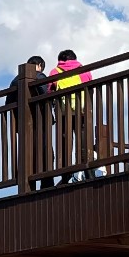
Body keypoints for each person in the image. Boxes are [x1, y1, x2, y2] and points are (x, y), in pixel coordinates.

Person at [50, 50, 93, 180]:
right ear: (75, 59)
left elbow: (49, 91)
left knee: (65, 144)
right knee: (84, 142)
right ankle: (87, 171)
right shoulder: (84, 70)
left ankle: (65, 174)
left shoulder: (55, 72)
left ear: (60, 60)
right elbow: (90, 88)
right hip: (82, 112)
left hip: (63, 114)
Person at [9, 56, 51, 187]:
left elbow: (8, 102)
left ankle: (30, 186)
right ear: (38, 65)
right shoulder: (39, 76)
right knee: (46, 152)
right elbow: (45, 93)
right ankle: (47, 184)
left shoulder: (15, 81)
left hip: (21, 123)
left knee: (27, 154)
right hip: (39, 120)